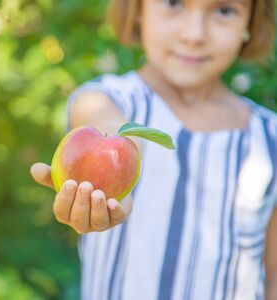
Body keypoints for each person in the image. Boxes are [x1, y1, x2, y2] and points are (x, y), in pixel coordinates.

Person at [30, 0, 277, 298]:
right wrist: (119, 173)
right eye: (173, 3)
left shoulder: (269, 138)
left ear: (250, 23)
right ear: (138, 10)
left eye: (224, 10)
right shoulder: (110, 100)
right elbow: (103, 121)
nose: (194, 34)